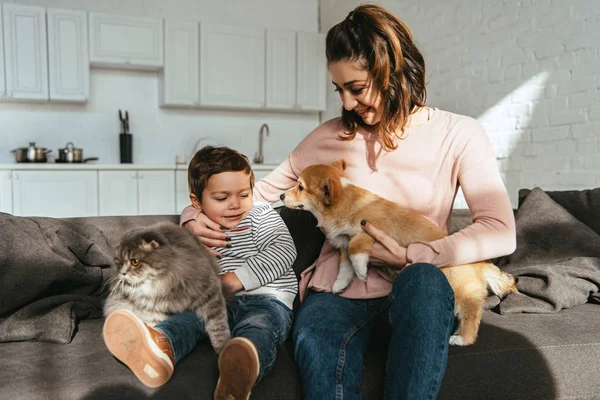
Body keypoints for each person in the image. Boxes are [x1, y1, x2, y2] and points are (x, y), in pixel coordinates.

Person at [181, 4, 516, 399]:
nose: (347, 103)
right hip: (337, 291)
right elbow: (253, 196)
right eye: (339, 90)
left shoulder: (459, 135)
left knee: (424, 280)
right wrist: (192, 216)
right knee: (317, 336)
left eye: (356, 88)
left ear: (392, 70)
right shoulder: (327, 137)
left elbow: (499, 231)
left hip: (414, 287)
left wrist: (419, 254)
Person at [105, 146, 298, 399]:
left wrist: (231, 281)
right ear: (197, 203)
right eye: (222, 198)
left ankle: (238, 374)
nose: (235, 205)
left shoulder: (261, 215)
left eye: (244, 194)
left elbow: (283, 251)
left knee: (258, 329)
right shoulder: (198, 228)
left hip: (268, 302)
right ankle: (157, 349)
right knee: (187, 321)